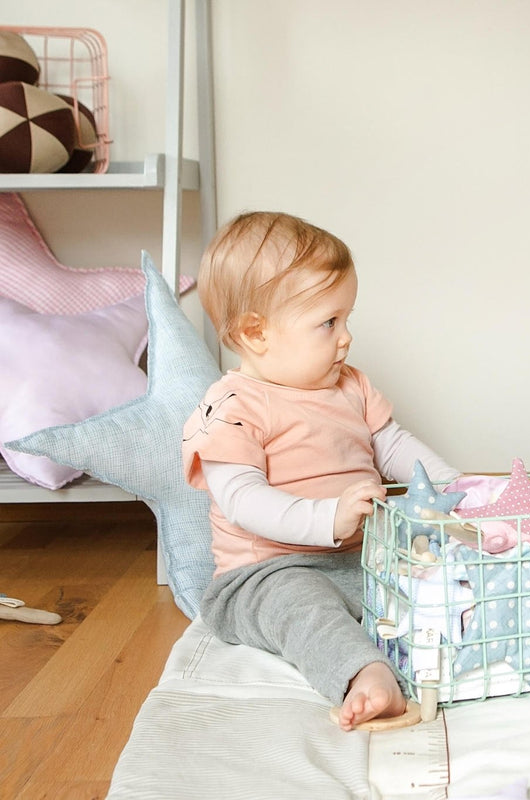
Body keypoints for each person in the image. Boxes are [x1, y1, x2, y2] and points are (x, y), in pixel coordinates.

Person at [182, 211, 460, 730]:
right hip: (266, 573)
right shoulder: (232, 405)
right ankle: (363, 675)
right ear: (255, 333)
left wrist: (454, 486)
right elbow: (242, 500)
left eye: (347, 318)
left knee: (429, 573)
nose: (346, 337)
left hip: (361, 558)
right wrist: (328, 518)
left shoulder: (349, 385)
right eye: (329, 322)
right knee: (306, 613)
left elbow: (393, 443)